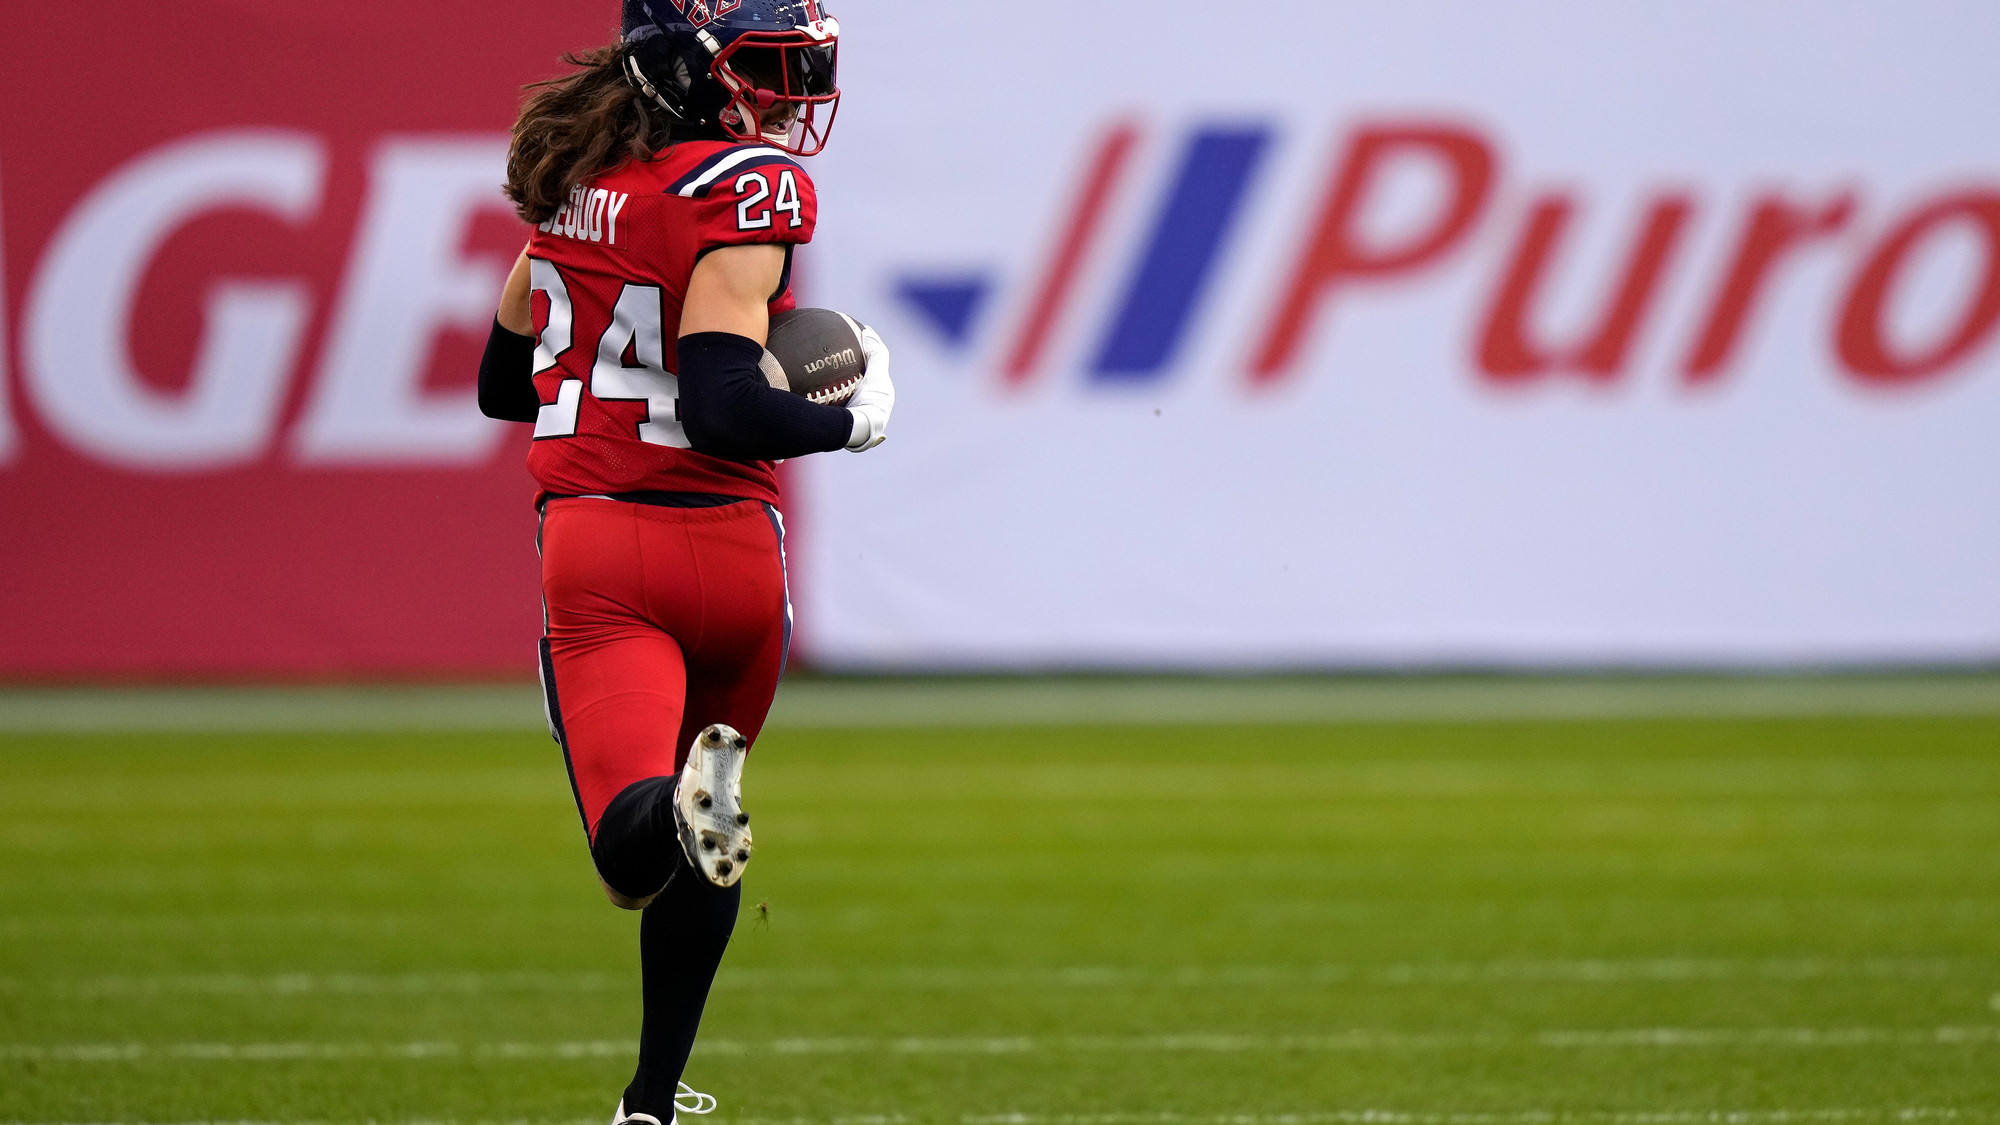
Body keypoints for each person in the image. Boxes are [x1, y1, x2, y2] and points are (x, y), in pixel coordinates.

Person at [477, 3, 893, 1122]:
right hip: (738, 558)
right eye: (771, 70)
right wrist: (847, 425)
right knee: (701, 836)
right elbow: (720, 407)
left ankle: (671, 822)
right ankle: (648, 1104)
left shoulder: (576, 182)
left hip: (606, 546)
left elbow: (503, 387)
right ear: (694, 69)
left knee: (640, 852)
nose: (792, 95)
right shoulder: (744, 191)